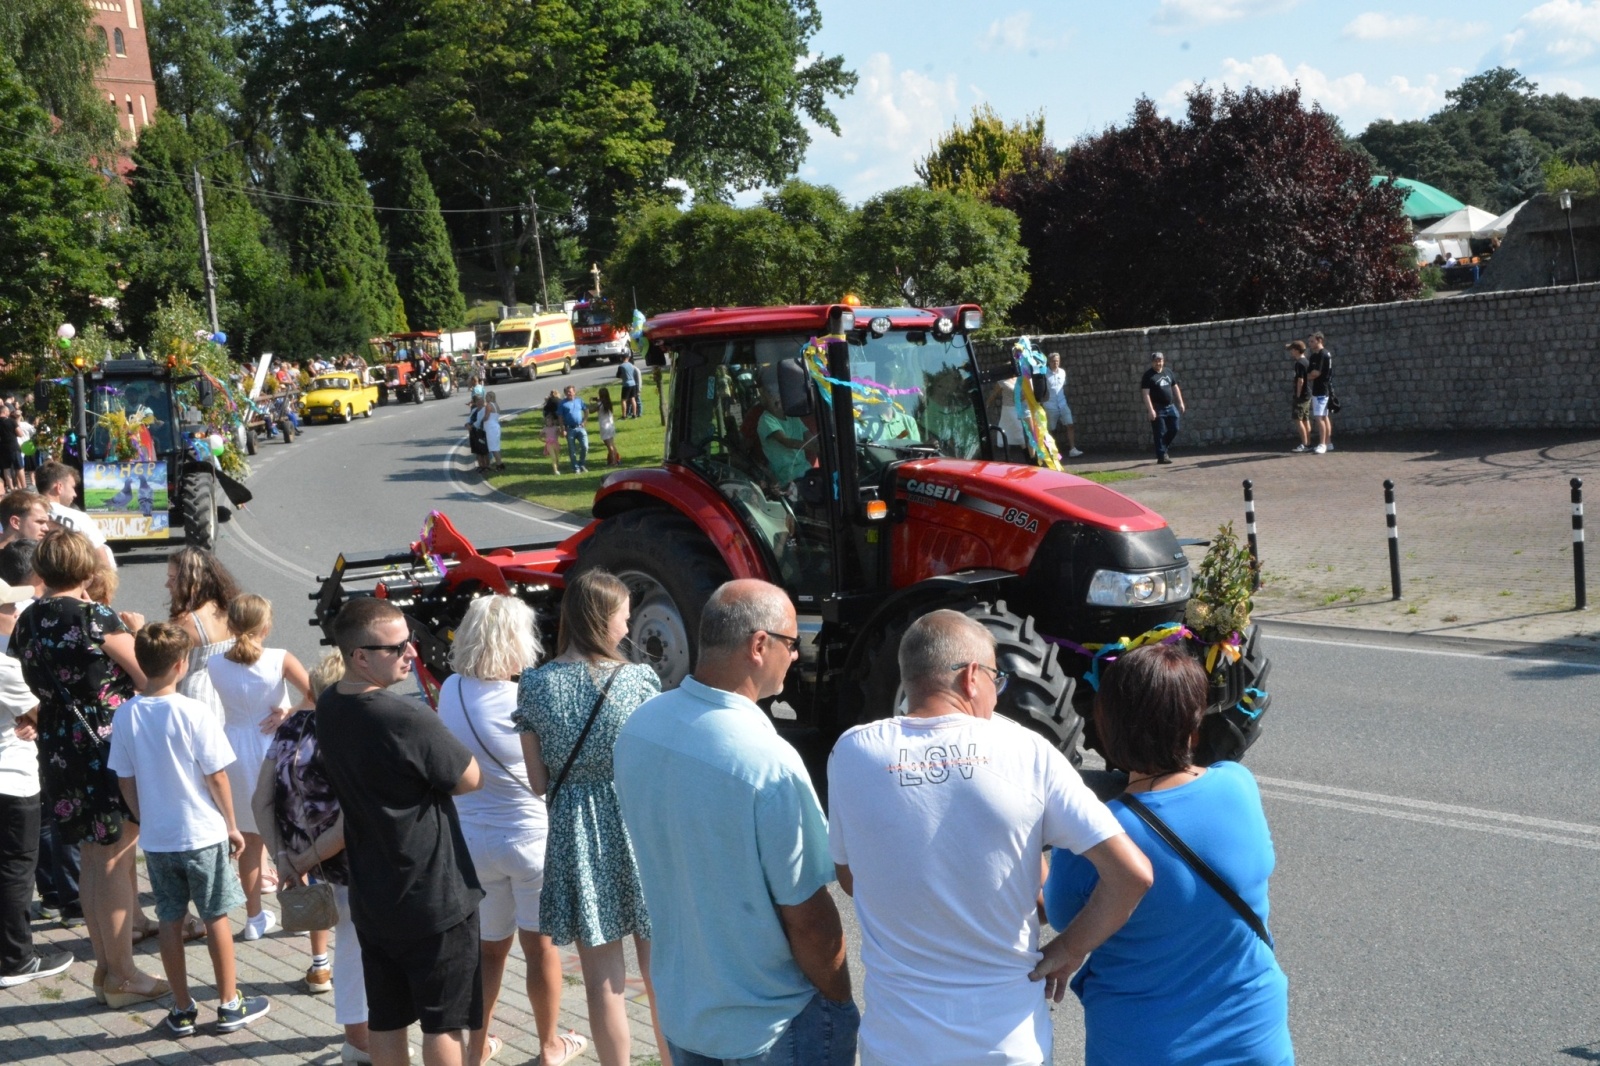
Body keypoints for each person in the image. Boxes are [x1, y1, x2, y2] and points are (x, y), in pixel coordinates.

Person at [827, 610, 1152, 1066]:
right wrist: (1067, 949)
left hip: (897, 1045)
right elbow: (1131, 874)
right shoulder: (1028, 752)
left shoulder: (852, 753)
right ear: (972, 677)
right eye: (997, 680)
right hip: (1006, 1045)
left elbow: (850, 876)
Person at [615, 579, 857, 1066]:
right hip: (771, 1026)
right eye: (792, 643)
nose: (796, 655)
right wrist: (838, 1003)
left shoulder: (640, 727)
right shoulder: (766, 761)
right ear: (759, 644)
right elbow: (809, 918)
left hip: (685, 1014)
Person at [1044, 643, 1293, 1066]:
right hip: (1255, 1038)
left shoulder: (1097, 835)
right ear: (1193, 725)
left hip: (1146, 1048)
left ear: (1106, 726)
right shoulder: (1239, 785)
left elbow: (1064, 917)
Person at [316, 598, 485, 1066]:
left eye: (409, 640)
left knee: (386, 1019)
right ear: (360, 656)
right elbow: (470, 778)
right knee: (443, 1024)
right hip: (432, 897)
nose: (411, 652)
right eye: (396, 647)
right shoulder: (404, 717)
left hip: (374, 894)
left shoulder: (329, 705)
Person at [515, 570, 666, 1066]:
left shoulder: (534, 685)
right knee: (660, 971)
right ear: (604, 617)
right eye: (625, 615)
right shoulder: (639, 680)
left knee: (604, 981)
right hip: (636, 826)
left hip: (574, 835)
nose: (629, 626)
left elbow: (538, 782)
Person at [12, 530, 165, 1008]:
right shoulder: (94, 616)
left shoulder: (29, 620)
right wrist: (138, 632)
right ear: (85, 570)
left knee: (95, 859)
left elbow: (31, 683)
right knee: (117, 860)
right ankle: (122, 974)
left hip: (59, 743)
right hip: (106, 743)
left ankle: (107, 969)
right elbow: (149, 677)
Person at [438, 597, 587, 1066]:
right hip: (529, 840)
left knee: (489, 951)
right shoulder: (528, 698)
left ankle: (476, 1049)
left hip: (473, 842)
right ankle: (549, 1047)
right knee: (540, 948)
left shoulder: (451, 690)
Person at [107, 622, 270, 1035]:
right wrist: (232, 825)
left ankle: (181, 1009)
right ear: (181, 665)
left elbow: (125, 778)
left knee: (170, 919)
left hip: (160, 840)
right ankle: (229, 1003)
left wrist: (144, 817)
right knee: (216, 916)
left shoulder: (125, 714)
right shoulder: (195, 711)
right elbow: (217, 776)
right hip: (202, 833)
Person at [253, 651, 382, 1063]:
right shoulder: (345, 734)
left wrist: (283, 857)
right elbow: (348, 821)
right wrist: (304, 860)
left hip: (304, 856)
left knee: (349, 943)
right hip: (348, 861)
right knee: (356, 948)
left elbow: (260, 800)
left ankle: (361, 1036)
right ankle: (360, 1042)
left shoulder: (291, 725)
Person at [209, 594, 313, 942]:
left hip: (234, 750)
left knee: (250, 843)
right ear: (265, 627)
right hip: (274, 748)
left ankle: (253, 919)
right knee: (293, 835)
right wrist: (289, 712)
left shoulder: (215, 663)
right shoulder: (279, 659)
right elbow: (315, 694)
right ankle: (303, 911)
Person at [0, 568, 73, 987]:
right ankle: (16, 959)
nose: (15, 610)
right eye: (8, 606)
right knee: (16, 870)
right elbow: (41, 716)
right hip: (12, 780)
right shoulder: (5, 667)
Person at [36, 462, 114, 569]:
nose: (75, 494)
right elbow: (101, 557)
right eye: (72, 487)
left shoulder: (27, 516)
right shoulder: (79, 518)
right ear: (59, 487)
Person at [1141, 352, 1185, 465]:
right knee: (1159, 432)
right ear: (1152, 362)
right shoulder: (1148, 376)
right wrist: (1151, 410)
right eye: (1156, 361)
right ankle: (1161, 456)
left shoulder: (1168, 372)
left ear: (1163, 361)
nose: (1158, 363)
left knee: (1174, 428)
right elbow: (1145, 394)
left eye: (1160, 360)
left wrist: (1180, 402)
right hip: (1157, 408)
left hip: (1170, 406)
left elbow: (1175, 387)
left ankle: (1162, 446)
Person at [757, 394, 810, 488]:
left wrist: (818, 443)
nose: (776, 396)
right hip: (788, 477)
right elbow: (786, 442)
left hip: (805, 469)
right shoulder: (766, 419)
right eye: (769, 394)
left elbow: (807, 434)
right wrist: (813, 447)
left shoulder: (792, 415)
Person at [1043, 352, 1083, 458]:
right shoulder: (1044, 374)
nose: (1055, 363)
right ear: (1049, 362)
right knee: (1051, 429)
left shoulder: (1062, 372)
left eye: (1057, 361)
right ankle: (1052, 451)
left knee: (1070, 424)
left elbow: (1062, 387)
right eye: (1053, 361)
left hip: (1062, 403)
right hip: (1050, 405)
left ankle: (1072, 449)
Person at [1307, 332, 1334, 454]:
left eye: (1312, 341)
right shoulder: (1314, 356)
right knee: (1324, 416)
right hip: (1318, 389)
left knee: (1319, 417)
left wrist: (1307, 376)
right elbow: (1310, 373)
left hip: (1322, 390)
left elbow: (1315, 373)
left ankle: (1322, 444)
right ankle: (1328, 443)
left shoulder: (1323, 354)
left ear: (1319, 340)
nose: (1310, 343)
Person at [1287, 340, 1311, 453]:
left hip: (1301, 396)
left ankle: (1304, 444)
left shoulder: (1299, 363)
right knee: (1305, 419)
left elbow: (1300, 380)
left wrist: (1297, 395)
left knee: (1298, 419)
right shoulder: (1306, 361)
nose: (1291, 352)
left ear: (1296, 350)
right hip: (1307, 394)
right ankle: (1308, 443)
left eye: (1292, 349)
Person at [559, 386, 589, 473]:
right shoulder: (562, 404)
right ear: (565, 394)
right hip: (569, 429)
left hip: (580, 427)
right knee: (572, 450)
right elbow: (560, 417)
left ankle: (581, 463)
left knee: (585, 446)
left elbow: (586, 410)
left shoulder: (579, 401)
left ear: (574, 392)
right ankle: (576, 467)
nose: (569, 393)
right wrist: (562, 429)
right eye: (567, 392)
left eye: (570, 392)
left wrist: (585, 420)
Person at [596, 388, 621, 467]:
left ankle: (613, 461)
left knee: (609, 446)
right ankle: (616, 459)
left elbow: (591, 410)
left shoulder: (600, 404)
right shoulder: (609, 403)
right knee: (612, 444)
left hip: (604, 427)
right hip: (610, 426)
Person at [541, 391, 564, 475]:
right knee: (553, 457)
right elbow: (540, 435)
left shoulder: (555, 428)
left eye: (550, 421)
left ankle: (557, 467)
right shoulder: (545, 429)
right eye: (547, 421)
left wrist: (560, 433)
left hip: (556, 443)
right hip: (549, 444)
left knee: (557, 456)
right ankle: (555, 470)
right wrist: (544, 440)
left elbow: (559, 433)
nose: (549, 423)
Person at [467, 395, 490, 474]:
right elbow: (468, 419)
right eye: (478, 401)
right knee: (477, 451)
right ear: (475, 403)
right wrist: (467, 425)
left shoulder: (484, 410)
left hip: (482, 432)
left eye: (481, 401)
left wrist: (472, 425)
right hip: (474, 432)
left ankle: (486, 466)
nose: (479, 403)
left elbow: (480, 421)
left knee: (484, 451)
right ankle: (481, 466)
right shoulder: (474, 410)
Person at [483, 391, 504, 472]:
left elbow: (486, 417)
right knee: (496, 447)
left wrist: (482, 420)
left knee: (493, 448)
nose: (485, 398)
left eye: (487, 396)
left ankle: (499, 465)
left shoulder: (488, 405)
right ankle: (499, 463)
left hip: (490, 428)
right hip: (496, 426)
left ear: (490, 397)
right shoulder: (496, 405)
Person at [616, 354, 642, 419]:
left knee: (623, 400)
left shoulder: (621, 366)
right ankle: (634, 414)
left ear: (622, 358)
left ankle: (624, 415)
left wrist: (623, 376)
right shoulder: (631, 365)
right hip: (633, 383)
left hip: (626, 384)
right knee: (633, 399)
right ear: (628, 358)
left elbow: (618, 375)